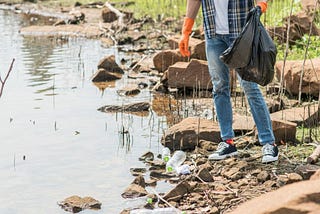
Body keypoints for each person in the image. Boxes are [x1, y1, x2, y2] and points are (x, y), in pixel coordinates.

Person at [179, 0, 278, 163]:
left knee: (250, 87)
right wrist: (186, 30)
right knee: (219, 87)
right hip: (213, 35)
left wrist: (261, 4)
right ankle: (228, 142)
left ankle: (269, 143)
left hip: (242, 34)